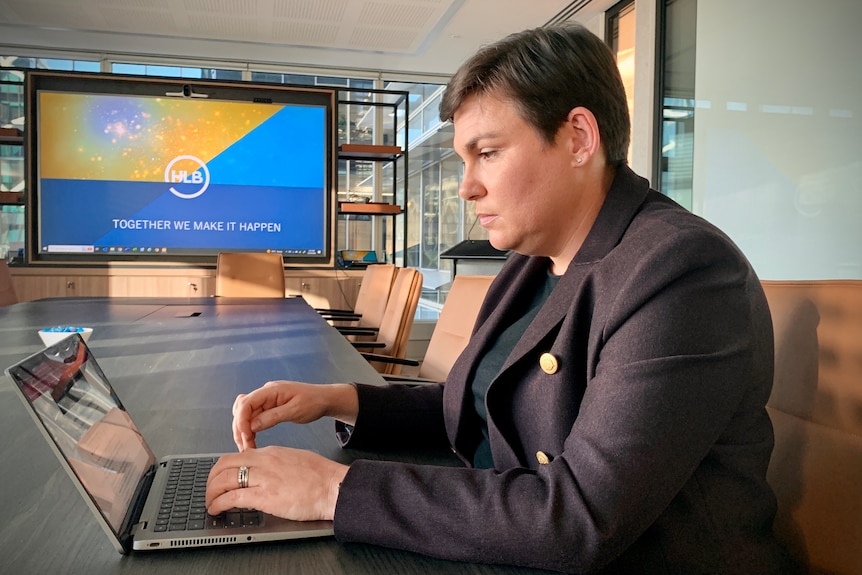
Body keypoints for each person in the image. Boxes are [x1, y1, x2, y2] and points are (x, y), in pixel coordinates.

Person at [206, 23, 797, 574]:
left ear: (577, 139)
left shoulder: (680, 269)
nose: (466, 186)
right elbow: (480, 406)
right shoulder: (529, 263)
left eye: (487, 153)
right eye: (465, 160)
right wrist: (339, 400)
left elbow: (580, 517)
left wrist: (331, 491)